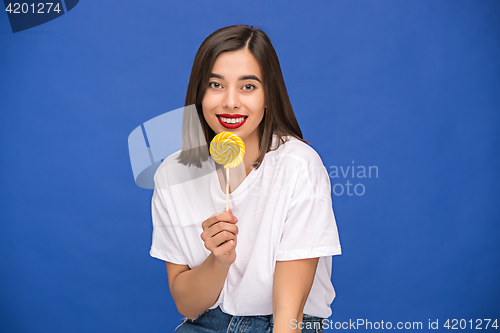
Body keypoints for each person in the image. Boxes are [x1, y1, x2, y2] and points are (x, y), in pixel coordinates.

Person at [150, 25, 342, 333]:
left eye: (248, 86)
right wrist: (219, 260)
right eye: (216, 84)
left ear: (269, 96)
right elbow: (187, 306)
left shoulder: (299, 166)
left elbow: (288, 317)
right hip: (204, 324)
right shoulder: (173, 174)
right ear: (199, 93)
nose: (230, 102)